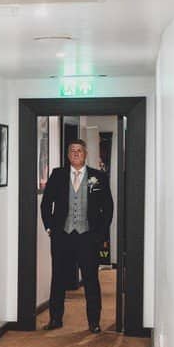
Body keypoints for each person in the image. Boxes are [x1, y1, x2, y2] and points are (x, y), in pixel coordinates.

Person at [40, 139, 113, 333]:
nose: (76, 154)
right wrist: (49, 228)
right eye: (72, 151)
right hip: (62, 236)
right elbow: (46, 204)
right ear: (67, 154)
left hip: (87, 237)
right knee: (58, 278)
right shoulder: (57, 175)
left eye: (79, 150)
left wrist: (100, 234)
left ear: (85, 153)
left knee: (90, 279)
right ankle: (55, 319)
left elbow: (108, 207)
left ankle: (94, 322)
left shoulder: (98, 177)